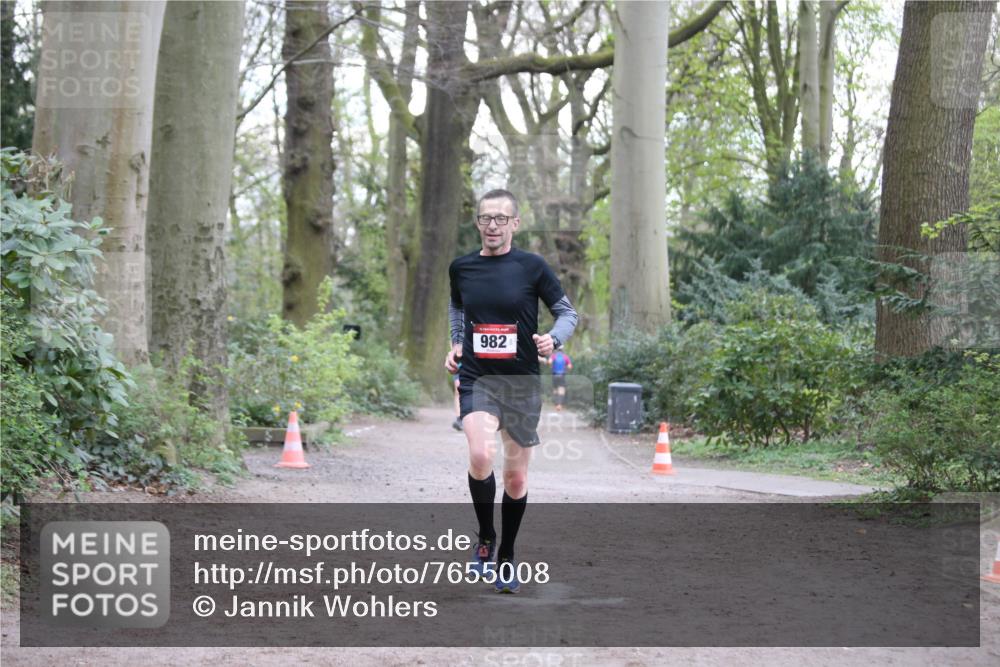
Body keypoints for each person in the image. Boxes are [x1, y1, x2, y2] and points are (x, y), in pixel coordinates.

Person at [445, 188, 578, 593]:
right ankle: (485, 538)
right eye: (486, 218)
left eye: (501, 219)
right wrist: (455, 342)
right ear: (478, 223)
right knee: (481, 453)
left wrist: (553, 339)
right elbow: (458, 309)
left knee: (516, 480)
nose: (492, 226)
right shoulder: (461, 268)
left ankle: (507, 556)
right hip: (477, 378)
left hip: (520, 383)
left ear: (515, 224)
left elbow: (567, 313)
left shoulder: (533, 267)